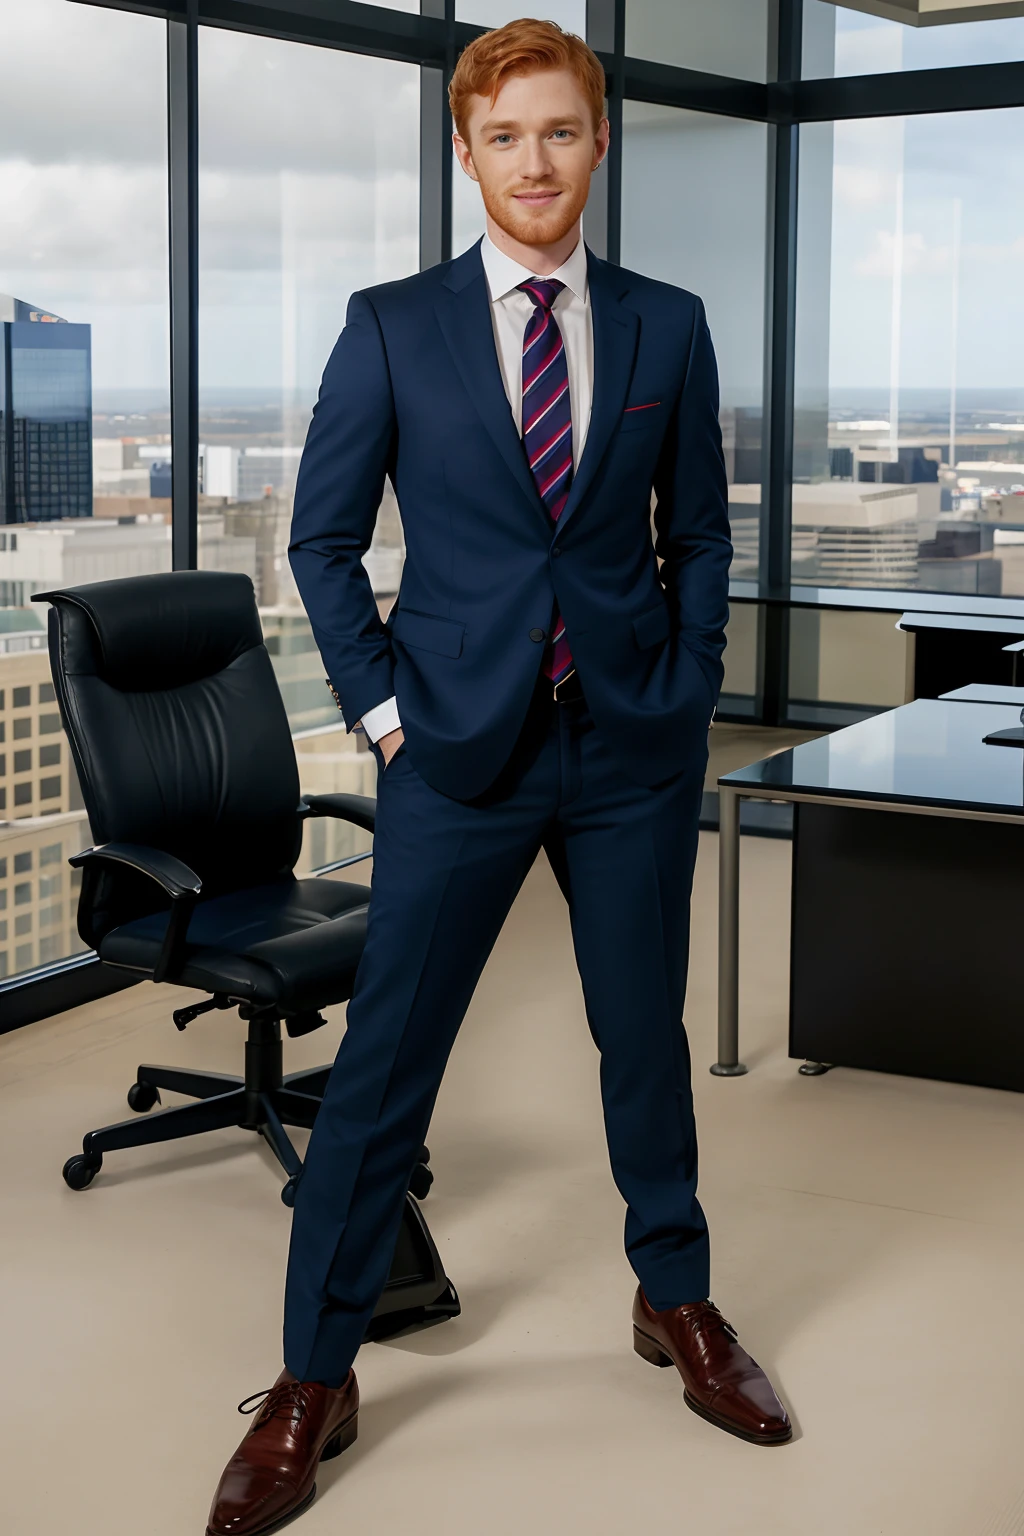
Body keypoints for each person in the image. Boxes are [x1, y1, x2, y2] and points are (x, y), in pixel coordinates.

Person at [207, 18, 790, 1535]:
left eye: (563, 132)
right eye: (506, 136)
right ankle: (312, 1376)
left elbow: (704, 531)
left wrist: (690, 674)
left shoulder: (666, 323)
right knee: (387, 1073)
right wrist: (386, 719)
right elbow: (322, 542)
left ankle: (678, 1302)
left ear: (601, 145)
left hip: (629, 747)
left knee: (640, 1041)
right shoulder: (393, 324)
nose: (537, 162)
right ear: (467, 154)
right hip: (453, 750)